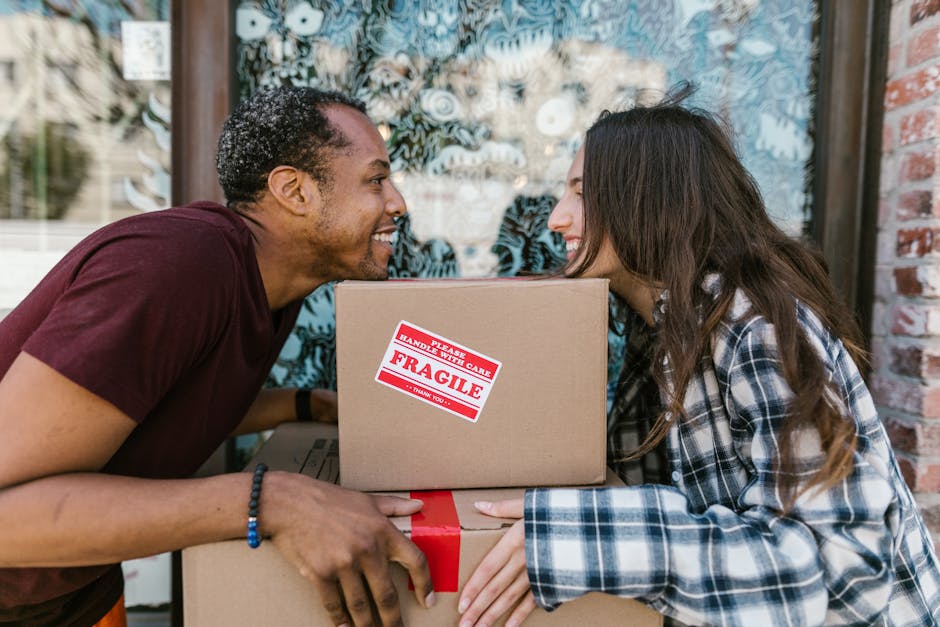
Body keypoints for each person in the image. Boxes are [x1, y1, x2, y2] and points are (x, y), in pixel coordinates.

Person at [455, 86, 940, 626]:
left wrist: (575, 544)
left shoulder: (751, 324)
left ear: (647, 202)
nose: (556, 219)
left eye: (581, 194)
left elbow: (827, 565)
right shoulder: (664, 331)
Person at [0, 86, 434, 627]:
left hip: (69, 593)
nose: (397, 202)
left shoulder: (271, 287)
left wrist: (304, 405)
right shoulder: (180, 265)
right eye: (376, 180)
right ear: (294, 191)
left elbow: (139, 402)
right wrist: (270, 502)